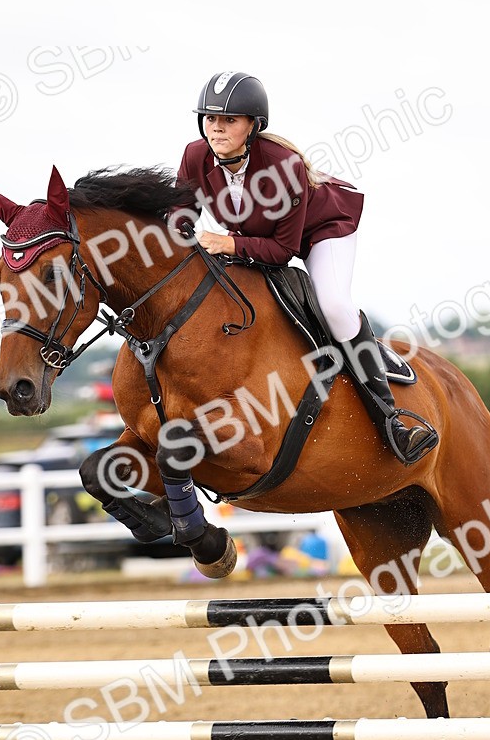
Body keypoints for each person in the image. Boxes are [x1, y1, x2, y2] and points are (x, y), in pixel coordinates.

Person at [177, 71, 439, 466]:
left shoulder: (285, 164)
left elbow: (283, 250)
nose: (216, 128)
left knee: (332, 303)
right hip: (256, 237)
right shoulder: (194, 156)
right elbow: (180, 213)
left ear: (253, 125)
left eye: (229, 120)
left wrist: (228, 243)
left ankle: (392, 419)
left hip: (321, 230)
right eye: (210, 119)